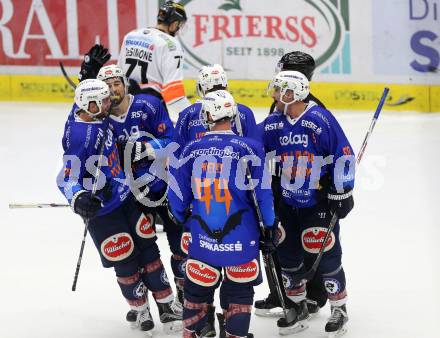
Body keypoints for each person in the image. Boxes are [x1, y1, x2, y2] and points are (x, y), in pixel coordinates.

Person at [57, 79, 182, 335]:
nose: (108, 104)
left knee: (149, 252)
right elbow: (65, 177)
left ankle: (167, 305)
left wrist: (89, 76)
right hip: (104, 214)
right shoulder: (80, 135)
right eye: (101, 101)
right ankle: (140, 308)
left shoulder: (99, 117)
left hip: (127, 200)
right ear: (87, 104)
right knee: (125, 261)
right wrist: (79, 197)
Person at [168, 90, 276, 338]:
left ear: (207, 115)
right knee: (239, 294)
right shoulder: (251, 148)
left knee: (196, 293)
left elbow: (177, 197)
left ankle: (196, 332)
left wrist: (182, 217)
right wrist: (269, 226)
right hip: (242, 239)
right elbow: (263, 196)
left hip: (202, 238)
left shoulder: (191, 149)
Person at [261, 71, 354, 336]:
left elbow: (343, 154)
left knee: (325, 254)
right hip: (286, 201)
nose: (276, 96)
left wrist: (343, 190)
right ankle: (297, 305)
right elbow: (252, 148)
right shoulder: (273, 123)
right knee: (287, 254)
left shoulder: (320, 120)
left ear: (294, 94)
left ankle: (339, 307)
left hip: (317, 201)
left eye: (281, 91)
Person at [95, 64, 187, 313]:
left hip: (165, 187)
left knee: (181, 247)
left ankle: (185, 297)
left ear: (125, 84)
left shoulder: (148, 104)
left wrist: (146, 149)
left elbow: (173, 142)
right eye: (107, 86)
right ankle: (147, 303)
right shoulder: (100, 120)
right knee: (142, 253)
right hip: (133, 197)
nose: (113, 90)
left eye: (116, 83)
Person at [255, 51, 329, 317]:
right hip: (279, 184)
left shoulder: (312, 108)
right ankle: (282, 292)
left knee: (310, 240)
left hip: (307, 190)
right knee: (280, 239)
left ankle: (316, 294)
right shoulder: (283, 98)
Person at [118, 1, 190, 122]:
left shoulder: (131, 35)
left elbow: (118, 76)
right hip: (151, 109)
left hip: (125, 107)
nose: (177, 30)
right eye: (178, 25)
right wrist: (193, 115)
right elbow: (174, 94)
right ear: (173, 24)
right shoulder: (171, 45)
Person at [173, 64, 259, 158]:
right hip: (235, 170)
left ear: (201, 86)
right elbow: (256, 150)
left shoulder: (188, 113)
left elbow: (176, 153)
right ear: (225, 84)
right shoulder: (245, 112)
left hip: (197, 170)